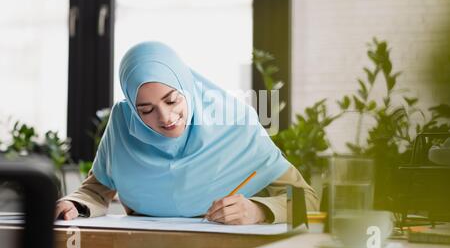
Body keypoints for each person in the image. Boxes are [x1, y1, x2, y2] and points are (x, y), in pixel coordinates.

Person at [55, 41, 319, 225]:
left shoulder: (236, 123)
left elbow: (308, 201)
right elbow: (96, 189)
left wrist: (258, 211)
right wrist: (74, 206)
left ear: (187, 87)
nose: (165, 118)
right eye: (146, 110)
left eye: (172, 101)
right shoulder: (124, 123)